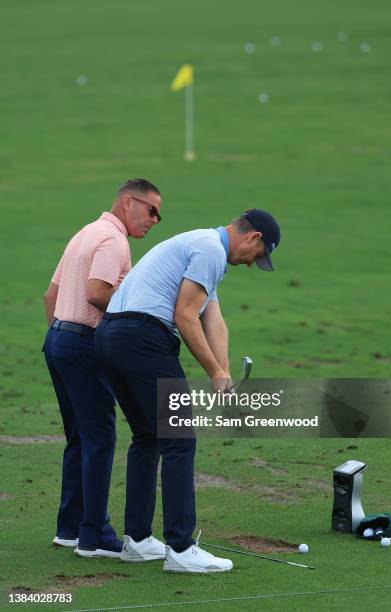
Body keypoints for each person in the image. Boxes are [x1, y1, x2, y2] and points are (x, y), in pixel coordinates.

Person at [94, 208, 281, 572]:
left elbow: (214, 320)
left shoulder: (203, 245)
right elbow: (184, 315)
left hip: (111, 337)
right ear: (253, 238)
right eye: (255, 257)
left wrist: (223, 372)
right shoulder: (210, 248)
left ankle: (137, 540)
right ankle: (180, 548)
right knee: (180, 438)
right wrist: (213, 371)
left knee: (148, 435)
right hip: (142, 337)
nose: (248, 264)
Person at [43, 178, 162, 558]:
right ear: (128, 203)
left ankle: (70, 528)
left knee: (80, 437)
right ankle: (94, 536)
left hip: (58, 341)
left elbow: (51, 295)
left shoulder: (85, 232)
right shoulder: (113, 240)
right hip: (80, 345)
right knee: (100, 438)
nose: (155, 220)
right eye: (151, 211)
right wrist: (136, 315)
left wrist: (61, 337)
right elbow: (97, 293)